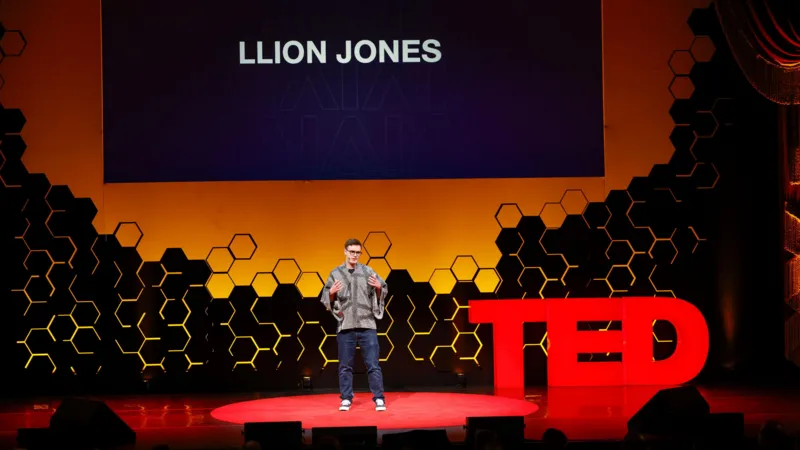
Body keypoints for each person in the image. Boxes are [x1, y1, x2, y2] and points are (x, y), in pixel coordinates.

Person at [320, 238, 389, 412]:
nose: (354, 255)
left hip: (367, 324)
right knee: (345, 365)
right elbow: (325, 297)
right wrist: (332, 293)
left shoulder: (368, 271)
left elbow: (382, 289)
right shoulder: (335, 273)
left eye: (358, 252)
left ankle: (379, 398)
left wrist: (379, 287)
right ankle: (346, 398)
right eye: (352, 252)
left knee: (373, 364)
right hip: (346, 325)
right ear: (345, 251)